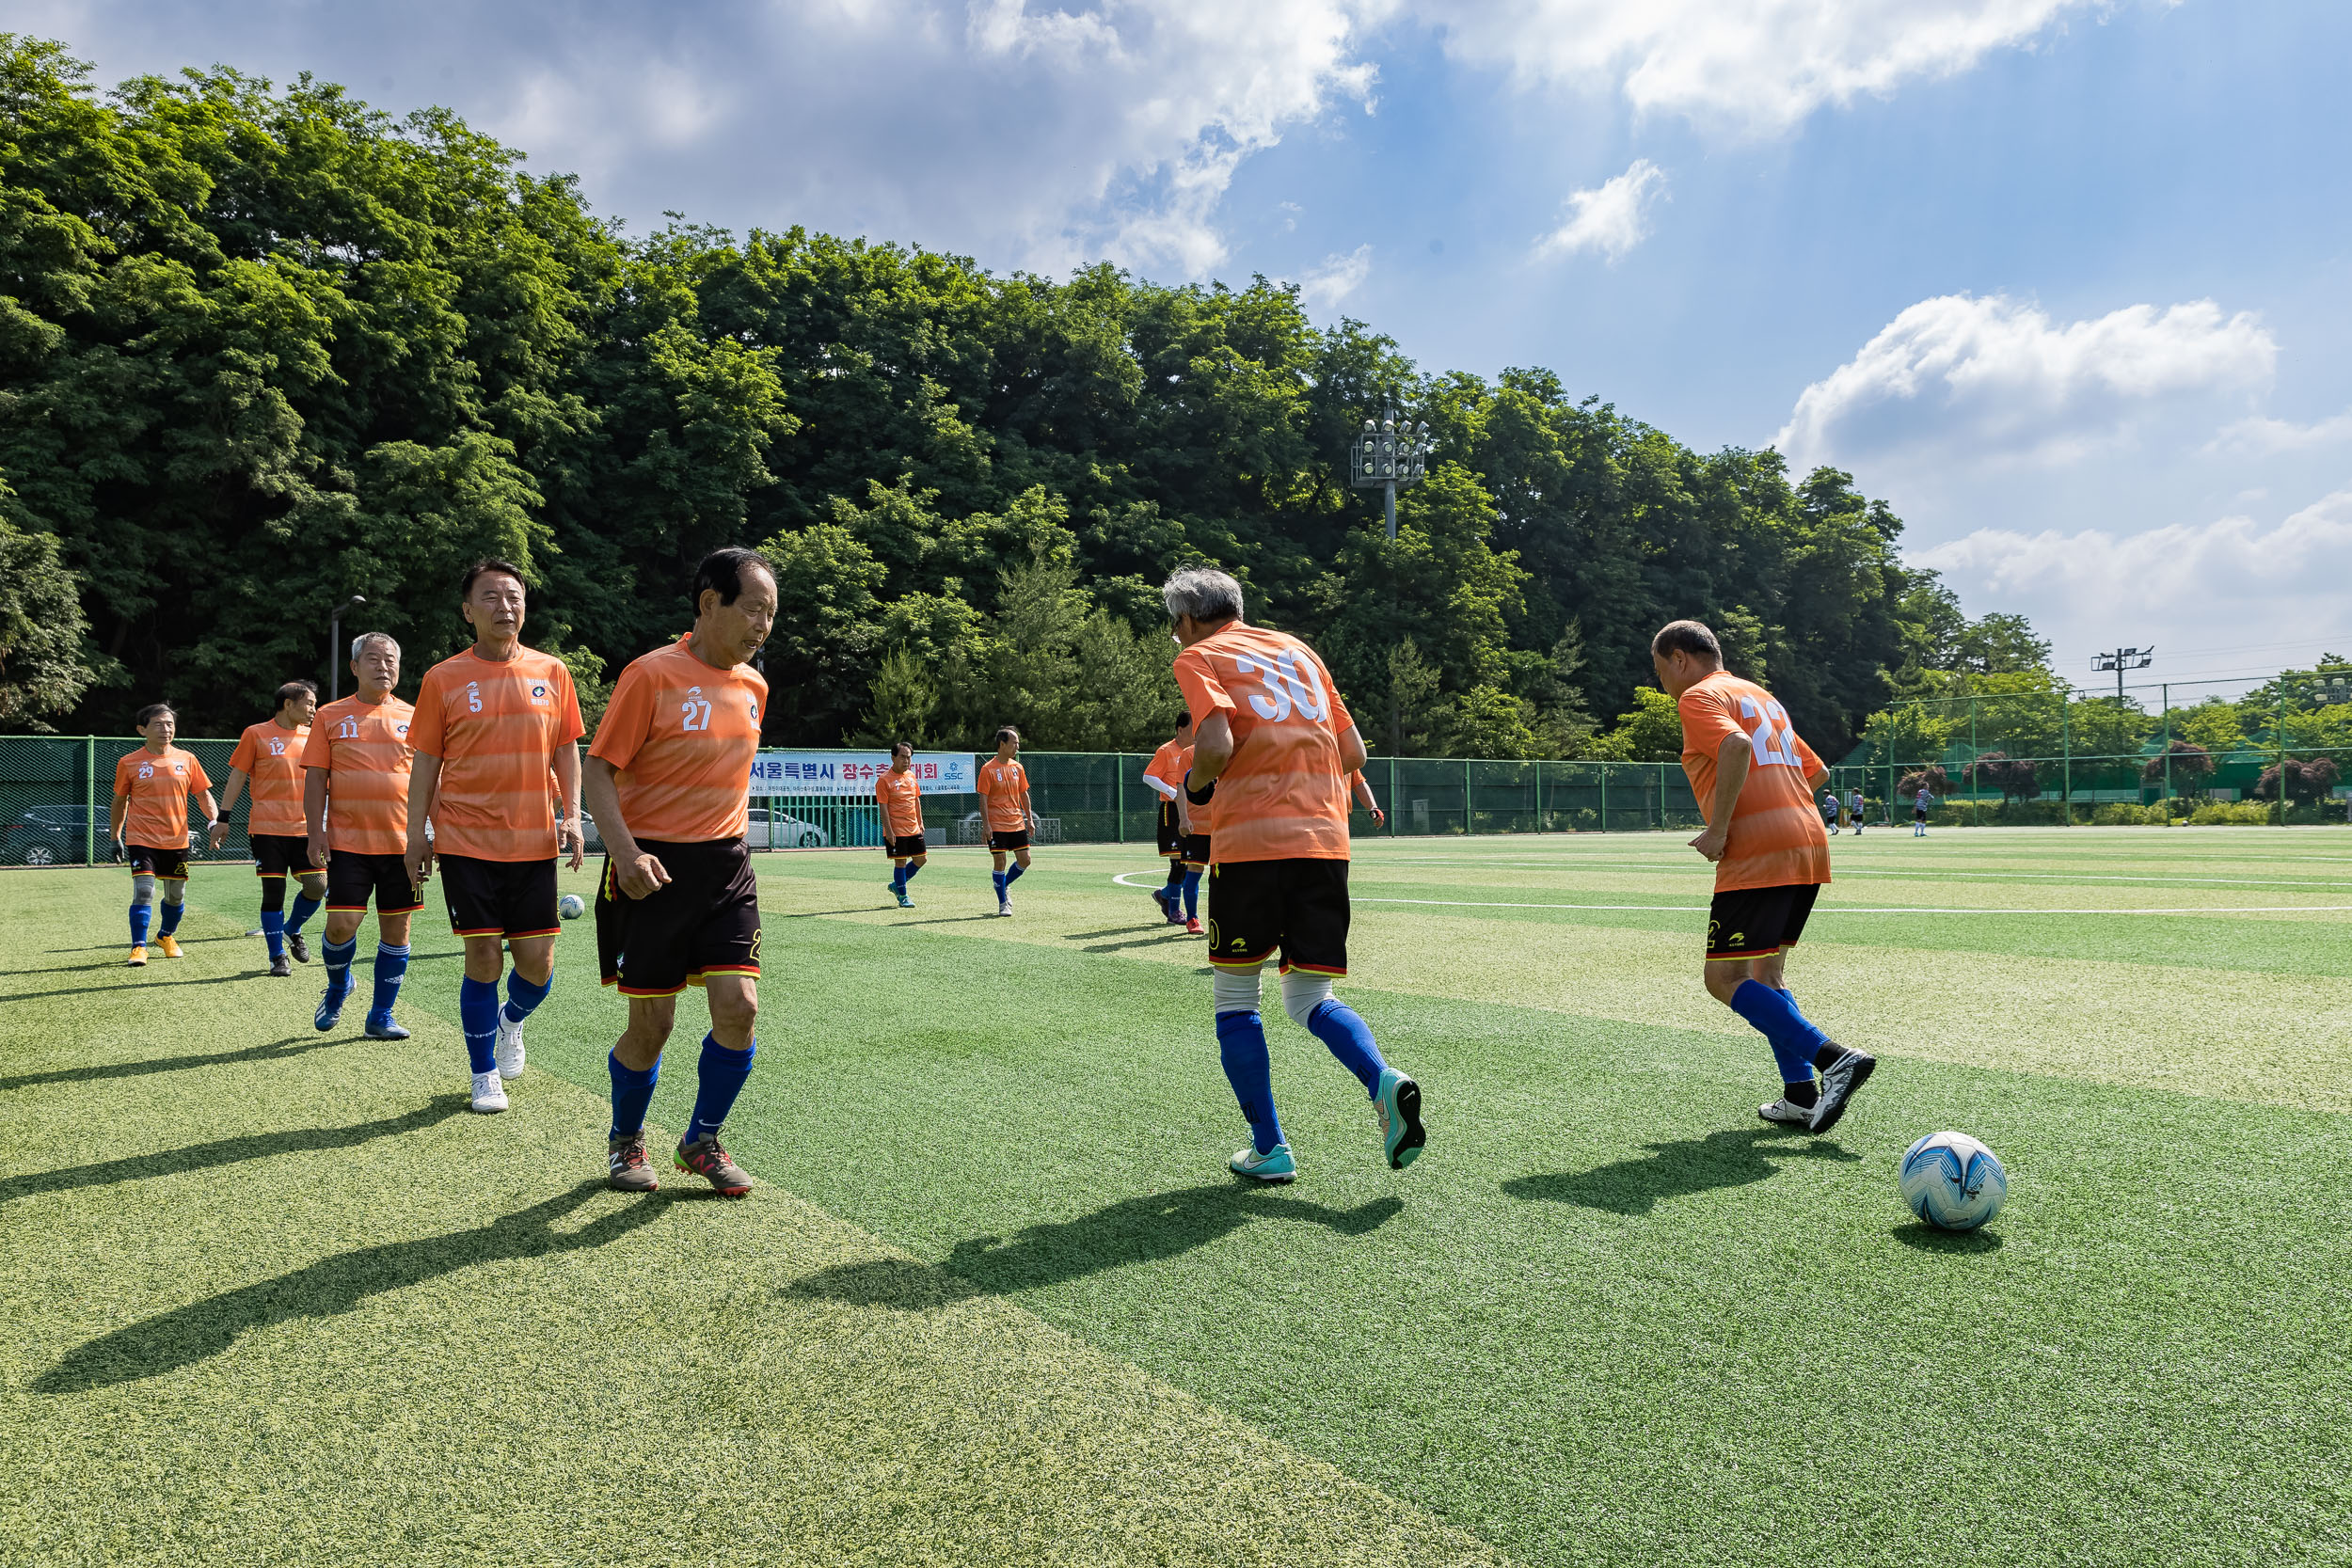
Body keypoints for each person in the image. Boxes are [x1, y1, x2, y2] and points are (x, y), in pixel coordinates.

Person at [1166, 565, 1425, 1183]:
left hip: (1251, 845)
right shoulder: (1300, 652)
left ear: (1189, 618)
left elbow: (1216, 746)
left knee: (1235, 998)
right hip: (1326, 843)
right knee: (1311, 998)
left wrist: (1194, 789)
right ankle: (1382, 1080)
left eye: (1174, 624)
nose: (1175, 637)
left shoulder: (1201, 656)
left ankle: (1271, 1147)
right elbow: (1354, 753)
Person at [584, 547, 775, 1196]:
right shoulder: (651, 675)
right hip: (651, 869)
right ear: (708, 602)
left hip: (726, 868)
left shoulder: (756, 687)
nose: (762, 625)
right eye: (754, 609)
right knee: (653, 1025)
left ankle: (701, 1137)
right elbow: (598, 771)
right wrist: (625, 852)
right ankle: (625, 1141)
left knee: (740, 1007)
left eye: (771, 614)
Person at [1654, 619, 1875, 1134]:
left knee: (1723, 979)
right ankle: (1800, 1095)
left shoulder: (1699, 698)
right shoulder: (1760, 696)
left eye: (1659, 667)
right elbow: (1815, 770)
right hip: (1808, 844)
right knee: (1766, 977)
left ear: (1680, 658)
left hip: (1758, 852)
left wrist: (1719, 827)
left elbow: (1734, 748)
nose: (1661, 679)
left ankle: (1833, 1058)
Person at [406, 560, 586, 1115]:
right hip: (465, 841)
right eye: (490, 598)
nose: (504, 607)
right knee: (483, 956)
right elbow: (427, 763)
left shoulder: (553, 672)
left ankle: (510, 1021)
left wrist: (573, 815)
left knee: (537, 965)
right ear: (467, 611)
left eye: (513, 597)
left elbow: (566, 751)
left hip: (534, 840)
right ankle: (483, 1073)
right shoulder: (443, 678)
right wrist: (417, 834)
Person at [304, 634, 420, 1037]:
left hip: (403, 847)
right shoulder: (329, 715)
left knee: (397, 930)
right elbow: (317, 778)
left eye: (391, 659)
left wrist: (429, 834)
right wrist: (316, 832)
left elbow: (430, 781)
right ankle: (339, 987)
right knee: (341, 925)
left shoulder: (415, 715)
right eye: (373, 659)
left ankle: (381, 1016)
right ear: (354, 667)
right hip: (347, 844)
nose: (383, 666)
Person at [212, 680, 325, 975]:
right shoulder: (256, 734)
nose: (314, 709)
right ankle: (277, 957)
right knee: (273, 891)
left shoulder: (314, 737)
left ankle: (293, 929)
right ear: (288, 703)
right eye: (309, 703)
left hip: (305, 829)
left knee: (318, 886)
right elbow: (236, 777)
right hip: (266, 829)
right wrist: (223, 818)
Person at [110, 703, 218, 967]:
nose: (165, 729)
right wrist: (115, 837)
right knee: (144, 891)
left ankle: (165, 936)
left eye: (169, 724)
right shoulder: (129, 762)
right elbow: (120, 801)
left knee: (176, 896)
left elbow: (203, 795)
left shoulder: (187, 759)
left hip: (176, 840)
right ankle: (139, 946)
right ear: (142, 730)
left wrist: (214, 821)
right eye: (158, 724)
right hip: (141, 839)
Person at [977, 726, 1035, 917]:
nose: (1017, 747)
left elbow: (1023, 794)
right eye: (1014, 743)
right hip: (997, 824)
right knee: (1000, 861)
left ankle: (1005, 885)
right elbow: (983, 799)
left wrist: (1029, 818)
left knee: (1025, 860)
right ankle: (1003, 904)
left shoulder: (1018, 767)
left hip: (1017, 822)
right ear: (1002, 744)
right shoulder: (988, 769)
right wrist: (986, 825)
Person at [1141, 714, 1193, 926]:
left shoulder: (1195, 752)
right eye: (1193, 727)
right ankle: (1174, 911)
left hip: (1190, 811)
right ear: (1180, 729)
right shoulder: (1166, 751)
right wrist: (1172, 792)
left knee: (1189, 864)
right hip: (1171, 811)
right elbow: (1149, 776)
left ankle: (1164, 895)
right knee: (1178, 863)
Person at [877, 741, 927, 908]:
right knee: (900, 862)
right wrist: (889, 831)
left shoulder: (911, 776)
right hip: (896, 830)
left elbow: (916, 799)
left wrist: (920, 822)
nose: (906, 761)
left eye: (909, 758)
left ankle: (896, 885)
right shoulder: (884, 780)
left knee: (921, 859)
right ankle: (903, 896)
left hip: (913, 828)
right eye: (903, 757)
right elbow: (883, 807)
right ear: (893, 758)